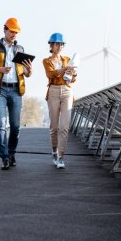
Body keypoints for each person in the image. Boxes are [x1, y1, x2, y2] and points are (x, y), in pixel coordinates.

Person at [0, 17, 33, 170]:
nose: (14, 35)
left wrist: (30, 70)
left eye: (16, 33)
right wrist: (1, 69)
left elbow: (26, 73)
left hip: (16, 90)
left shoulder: (20, 50)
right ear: (5, 30)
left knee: (16, 126)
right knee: (1, 125)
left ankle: (11, 153)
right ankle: (4, 157)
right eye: (12, 31)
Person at [42, 33, 77, 169]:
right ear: (51, 45)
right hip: (53, 92)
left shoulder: (67, 59)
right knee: (54, 127)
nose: (59, 46)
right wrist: (65, 69)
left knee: (64, 127)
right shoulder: (46, 61)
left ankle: (61, 156)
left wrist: (73, 74)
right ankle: (54, 151)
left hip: (67, 91)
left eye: (61, 44)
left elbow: (72, 79)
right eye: (57, 44)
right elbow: (51, 74)